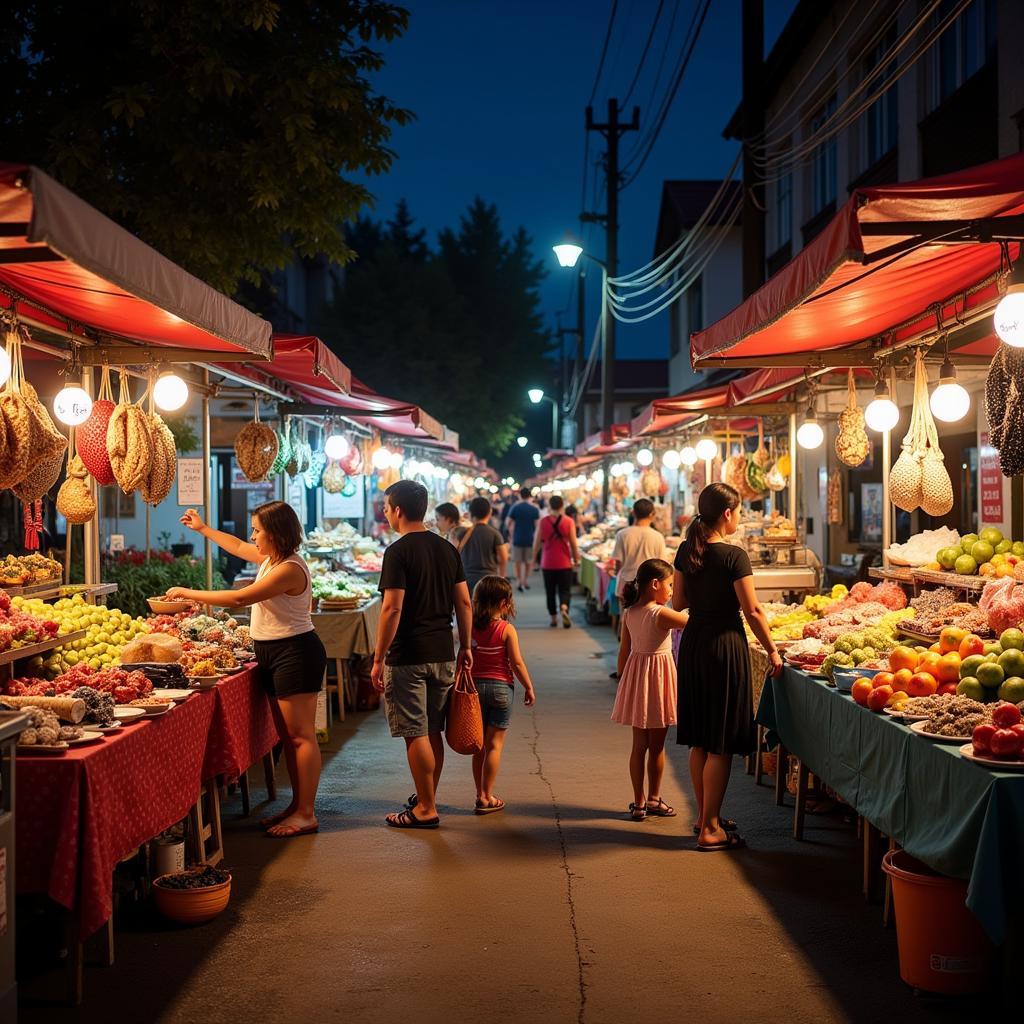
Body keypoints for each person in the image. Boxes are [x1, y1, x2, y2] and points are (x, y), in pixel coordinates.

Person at [170, 503, 327, 839]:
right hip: (273, 651)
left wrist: (187, 593)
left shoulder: (289, 569)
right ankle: (297, 805)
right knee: (288, 737)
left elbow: (240, 599)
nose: (252, 536)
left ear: (276, 533)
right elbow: (238, 547)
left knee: (301, 736)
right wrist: (203, 529)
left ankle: (306, 813)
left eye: (257, 530)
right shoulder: (272, 560)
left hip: (295, 652)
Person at [672, 482, 782, 852]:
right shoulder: (734, 556)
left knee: (701, 737)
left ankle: (706, 818)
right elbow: (752, 611)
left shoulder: (687, 550)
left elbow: (679, 600)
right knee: (719, 742)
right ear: (728, 514)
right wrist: (773, 651)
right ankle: (710, 830)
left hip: (694, 643)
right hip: (724, 645)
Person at [371, 480, 473, 829]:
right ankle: (427, 795)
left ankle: (426, 808)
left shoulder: (397, 552)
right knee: (432, 731)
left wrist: (377, 656)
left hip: (409, 655)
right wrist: (467, 647)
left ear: (398, 510)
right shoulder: (447, 549)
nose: (385, 513)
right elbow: (463, 602)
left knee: (415, 732)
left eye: (386, 507)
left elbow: (391, 609)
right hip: (443, 651)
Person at [612, 559, 689, 820]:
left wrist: (624, 681)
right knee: (657, 747)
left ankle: (639, 802)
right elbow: (691, 622)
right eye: (670, 585)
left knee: (638, 746)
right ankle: (655, 798)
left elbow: (623, 650)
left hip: (636, 676)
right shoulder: (660, 613)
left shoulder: (629, 612)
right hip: (658, 678)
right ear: (655, 584)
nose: (671, 591)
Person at [469, 575, 537, 814]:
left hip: (474, 690)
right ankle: (488, 796)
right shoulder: (507, 629)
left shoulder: (470, 626)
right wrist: (528, 686)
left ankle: (479, 794)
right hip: (500, 689)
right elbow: (516, 663)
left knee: (479, 747)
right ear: (504, 603)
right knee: (494, 745)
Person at [532, 494, 579, 628]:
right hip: (564, 562)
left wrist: (533, 559)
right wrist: (576, 558)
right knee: (565, 590)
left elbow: (536, 543)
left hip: (547, 562)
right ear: (562, 506)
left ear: (549, 506)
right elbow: (573, 543)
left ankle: (553, 619)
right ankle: (564, 607)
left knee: (550, 591)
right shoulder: (569, 521)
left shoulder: (543, 521)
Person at [609, 498, 668, 605]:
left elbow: (618, 563)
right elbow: (662, 565)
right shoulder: (658, 537)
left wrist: (617, 574)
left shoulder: (622, 534)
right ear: (652, 514)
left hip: (626, 583)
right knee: (645, 619)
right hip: (649, 587)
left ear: (633, 513)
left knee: (626, 618)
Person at [459, 495, 509, 595]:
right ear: (489, 513)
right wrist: (502, 578)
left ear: (470, 513)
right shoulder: (494, 533)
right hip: (489, 581)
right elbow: (503, 558)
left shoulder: (462, 533)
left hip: (466, 580)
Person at [506, 487, 540, 593]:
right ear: (529, 496)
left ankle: (519, 581)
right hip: (530, 538)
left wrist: (511, 535)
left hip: (517, 538)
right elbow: (538, 526)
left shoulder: (515, 508)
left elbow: (508, 523)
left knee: (517, 561)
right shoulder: (534, 508)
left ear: (520, 495)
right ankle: (525, 581)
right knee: (528, 562)